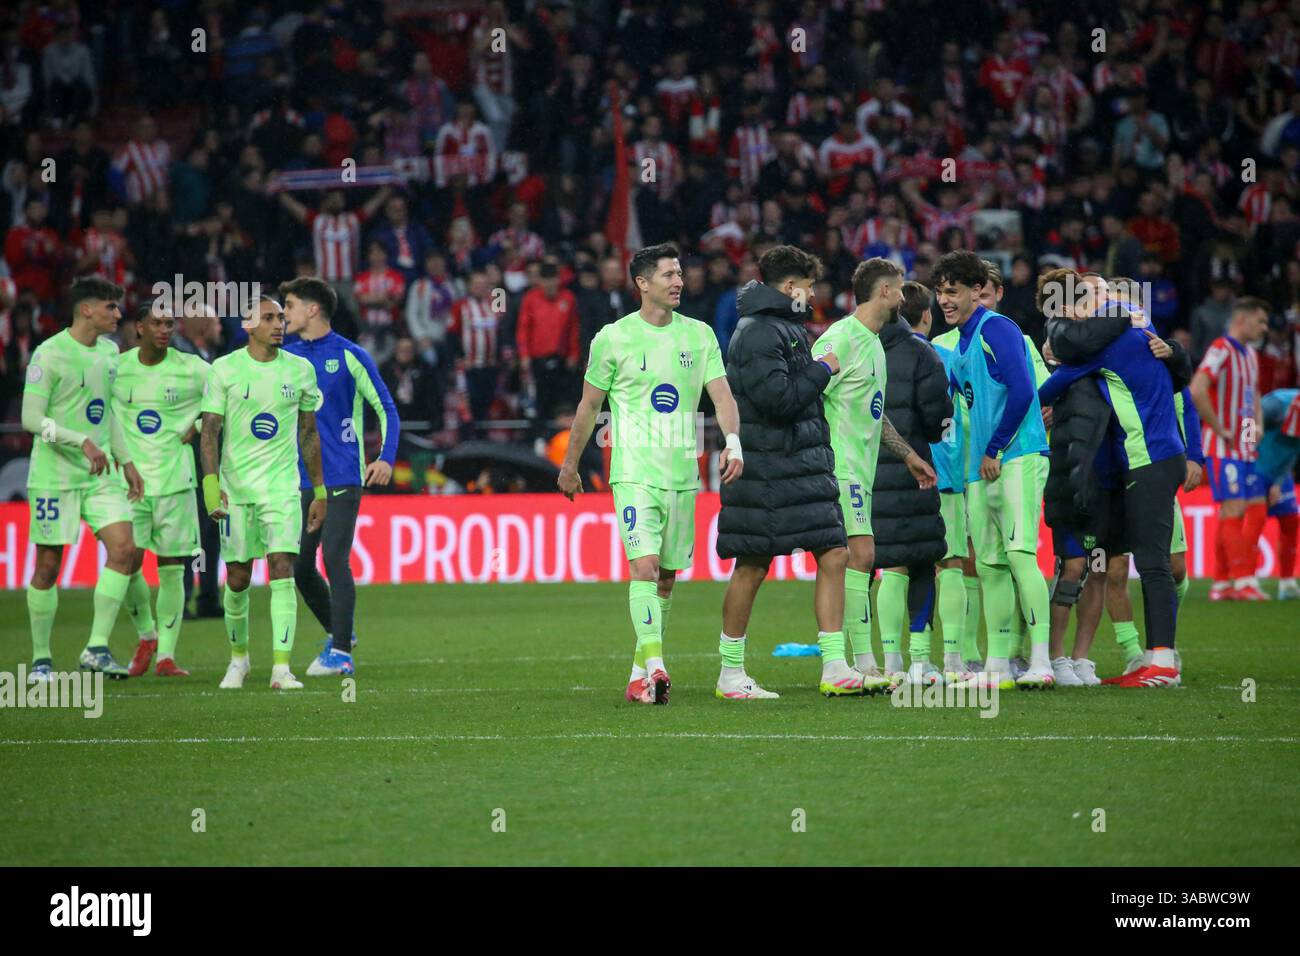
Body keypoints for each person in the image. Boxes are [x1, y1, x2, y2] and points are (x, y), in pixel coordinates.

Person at [557, 243, 744, 703]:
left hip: (683, 473)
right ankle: (658, 667)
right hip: (635, 472)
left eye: (679, 274)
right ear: (642, 283)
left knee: (665, 576)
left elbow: (721, 395)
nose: (679, 281)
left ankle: (639, 675)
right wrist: (570, 464)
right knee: (642, 566)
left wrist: (734, 442)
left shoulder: (699, 335)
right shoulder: (613, 338)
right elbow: (589, 405)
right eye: (668, 275)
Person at [716, 245, 863, 697]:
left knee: (834, 553)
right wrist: (823, 369)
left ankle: (835, 666)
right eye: (808, 285)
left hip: (802, 468)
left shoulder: (783, 327)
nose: (814, 293)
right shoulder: (759, 332)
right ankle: (731, 673)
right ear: (789, 287)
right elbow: (777, 399)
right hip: (767, 468)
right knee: (753, 565)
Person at [1037, 273, 1192, 688]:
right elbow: (1178, 376)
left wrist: (1031, 406)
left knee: (1154, 564)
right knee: (1150, 562)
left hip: (1148, 459)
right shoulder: (1143, 328)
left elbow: (1055, 383)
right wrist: (1177, 353)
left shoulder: (1107, 342)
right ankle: (1157, 657)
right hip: (1163, 456)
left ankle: (1161, 662)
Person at [810, 259, 934, 693]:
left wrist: (908, 456)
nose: (904, 297)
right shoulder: (841, 338)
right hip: (839, 466)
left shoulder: (875, 344)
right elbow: (808, 395)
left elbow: (875, 416)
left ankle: (859, 664)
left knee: (859, 558)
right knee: (860, 556)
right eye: (899, 289)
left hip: (862, 469)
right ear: (883, 291)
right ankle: (858, 664)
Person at [932, 251, 1052, 690]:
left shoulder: (997, 329)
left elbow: (1023, 392)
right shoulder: (959, 341)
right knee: (989, 565)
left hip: (1016, 456)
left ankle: (1040, 660)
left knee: (1021, 554)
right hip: (981, 468)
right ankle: (998, 666)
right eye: (940, 291)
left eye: (953, 291)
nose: (944, 300)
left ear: (975, 292)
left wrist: (996, 448)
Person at [200, 296, 325, 690]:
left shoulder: (301, 370)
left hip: (282, 489)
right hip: (235, 491)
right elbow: (209, 433)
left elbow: (309, 433)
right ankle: (239, 661)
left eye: (281, 318)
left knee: (282, 570)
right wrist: (210, 486)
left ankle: (281, 668)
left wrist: (319, 490)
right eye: (268, 318)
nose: (279, 324)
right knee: (237, 578)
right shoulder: (225, 369)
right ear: (248, 326)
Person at [22, 277, 143, 681]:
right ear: (87, 309)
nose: (118, 314)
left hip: (101, 472)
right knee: (49, 564)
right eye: (111, 307)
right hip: (55, 474)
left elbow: (108, 411)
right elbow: (30, 420)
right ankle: (41, 659)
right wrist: (81, 441)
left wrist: (125, 460)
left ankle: (96, 648)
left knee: (125, 550)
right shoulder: (49, 354)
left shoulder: (110, 353)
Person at [282, 276, 400, 677]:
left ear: (312, 309)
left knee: (334, 557)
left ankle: (341, 654)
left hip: (342, 474)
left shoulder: (350, 355)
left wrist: (385, 457)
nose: (285, 313)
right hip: (300, 479)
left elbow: (387, 408)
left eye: (291, 305)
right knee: (299, 566)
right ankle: (340, 634)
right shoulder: (286, 357)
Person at [113, 304, 210, 677]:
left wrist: (200, 425)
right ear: (139, 327)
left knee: (172, 568)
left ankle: (166, 657)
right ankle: (147, 636)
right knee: (125, 561)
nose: (165, 329)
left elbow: (228, 397)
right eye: (157, 323)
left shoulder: (192, 368)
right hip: (131, 484)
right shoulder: (118, 370)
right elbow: (97, 409)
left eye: (170, 323)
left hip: (175, 482)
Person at [869, 280, 950, 687]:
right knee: (920, 563)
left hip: (865, 471)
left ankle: (885, 662)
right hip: (913, 468)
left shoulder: (857, 345)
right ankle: (920, 662)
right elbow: (939, 416)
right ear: (922, 315)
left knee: (879, 564)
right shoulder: (922, 352)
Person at [1190, 297, 1271, 601]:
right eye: (1260, 321)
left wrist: (1255, 429)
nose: (1264, 328)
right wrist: (1218, 427)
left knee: (1256, 507)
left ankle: (1222, 582)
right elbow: (1197, 387)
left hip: (1245, 449)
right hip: (1223, 448)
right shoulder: (1221, 348)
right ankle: (1242, 581)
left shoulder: (1250, 354)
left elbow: (1253, 395)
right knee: (1234, 508)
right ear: (1242, 319)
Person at [1256, 388, 1300, 599]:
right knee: (1252, 522)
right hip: (1253, 467)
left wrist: (1280, 481)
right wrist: (1247, 455)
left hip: (1279, 473)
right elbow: (1248, 417)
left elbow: (1295, 449)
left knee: (1291, 520)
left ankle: (1287, 582)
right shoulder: (1276, 405)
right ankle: (1243, 579)